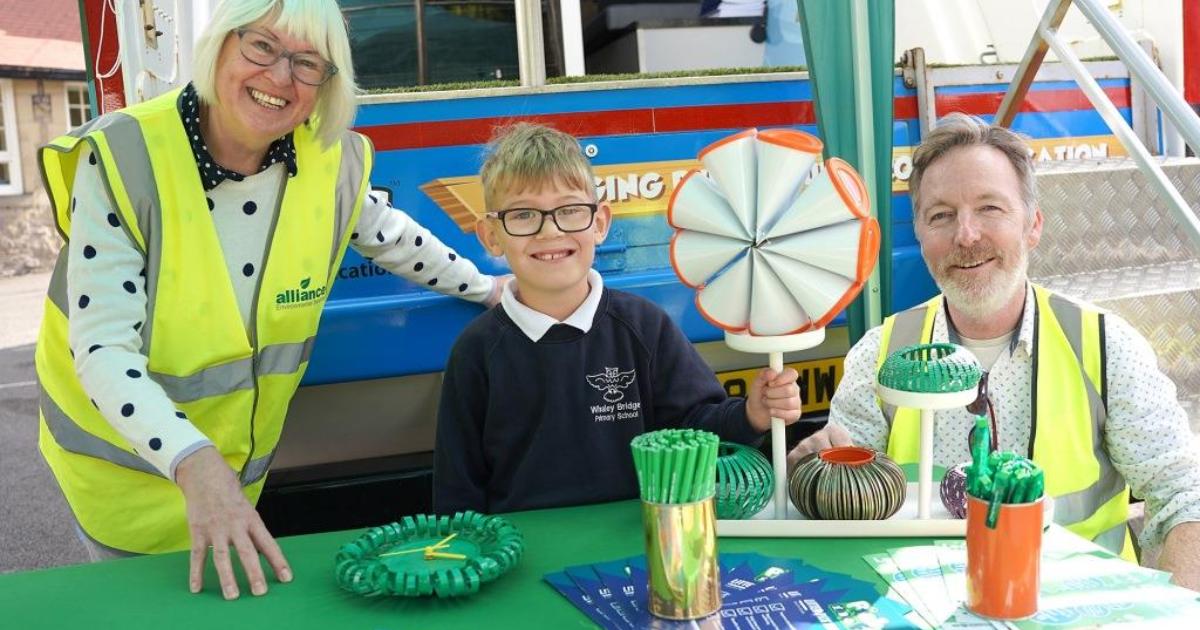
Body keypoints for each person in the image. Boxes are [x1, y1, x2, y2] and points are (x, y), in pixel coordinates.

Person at [36, 0, 504, 600]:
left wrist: (487, 288)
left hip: (235, 478)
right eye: (261, 47)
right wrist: (194, 464)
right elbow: (102, 348)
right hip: (121, 482)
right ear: (221, 46)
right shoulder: (124, 157)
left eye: (309, 63)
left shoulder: (325, 159)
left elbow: (391, 237)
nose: (280, 78)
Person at [787, 113, 1200, 588]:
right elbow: (845, 504)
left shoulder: (1106, 347)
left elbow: (1184, 496)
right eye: (941, 215)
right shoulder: (879, 355)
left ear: (1033, 225)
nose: (966, 235)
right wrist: (814, 476)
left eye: (990, 209)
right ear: (918, 235)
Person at [432, 123, 804, 514]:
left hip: (640, 541)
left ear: (600, 223)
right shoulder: (475, 351)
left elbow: (699, 428)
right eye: (524, 215)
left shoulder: (644, 327)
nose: (550, 230)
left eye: (570, 210)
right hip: (525, 552)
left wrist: (752, 413)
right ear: (492, 235)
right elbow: (457, 487)